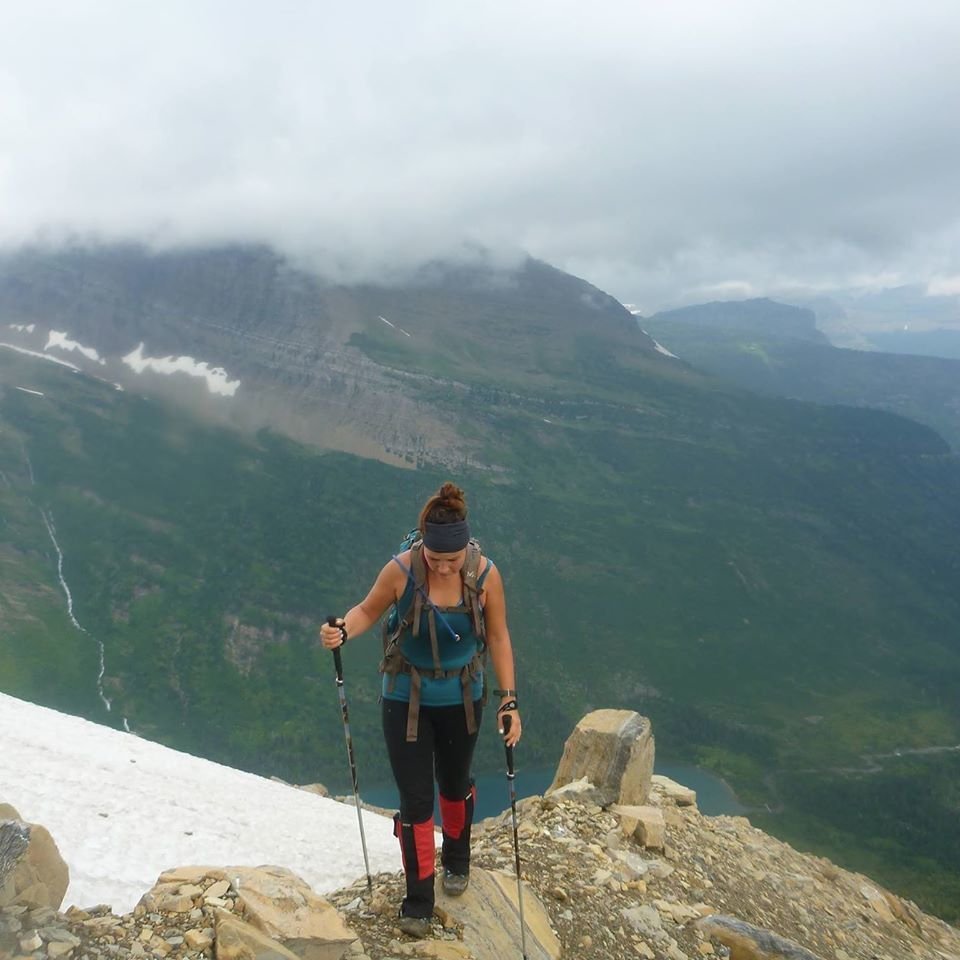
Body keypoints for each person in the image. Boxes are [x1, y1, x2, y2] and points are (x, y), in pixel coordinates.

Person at [320, 481, 521, 937]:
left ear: (465, 550)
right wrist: (342, 631)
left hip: (463, 699)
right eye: (435, 559)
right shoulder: (401, 571)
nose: (444, 567)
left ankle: (457, 860)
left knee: (453, 786)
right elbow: (368, 611)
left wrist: (509, 702)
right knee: (415, 801)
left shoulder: (486, 576)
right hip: (404, 698)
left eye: (451, 560)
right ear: (423, 547)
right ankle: (418, 900)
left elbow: (499, 638)